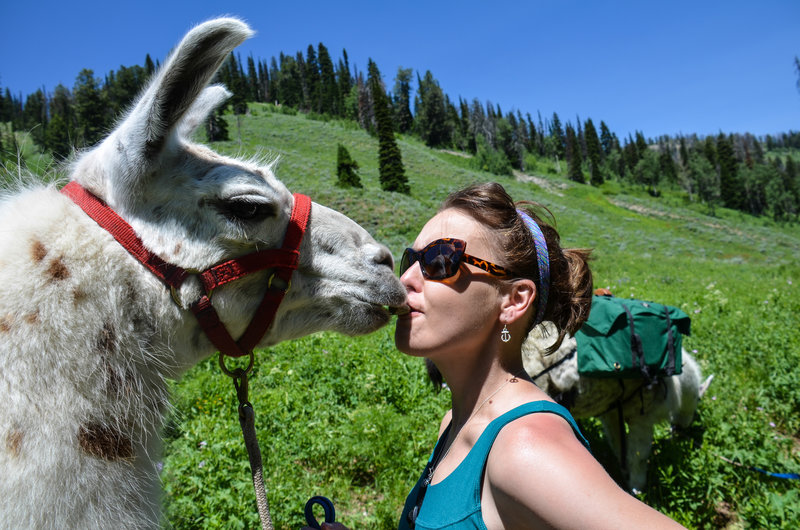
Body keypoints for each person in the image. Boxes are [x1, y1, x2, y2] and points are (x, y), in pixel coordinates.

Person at [306, 182, 684, 529]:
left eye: (440, 260)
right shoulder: (456, 420)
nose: (404, 280)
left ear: (514, 300)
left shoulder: (522, 446)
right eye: (411, 260)